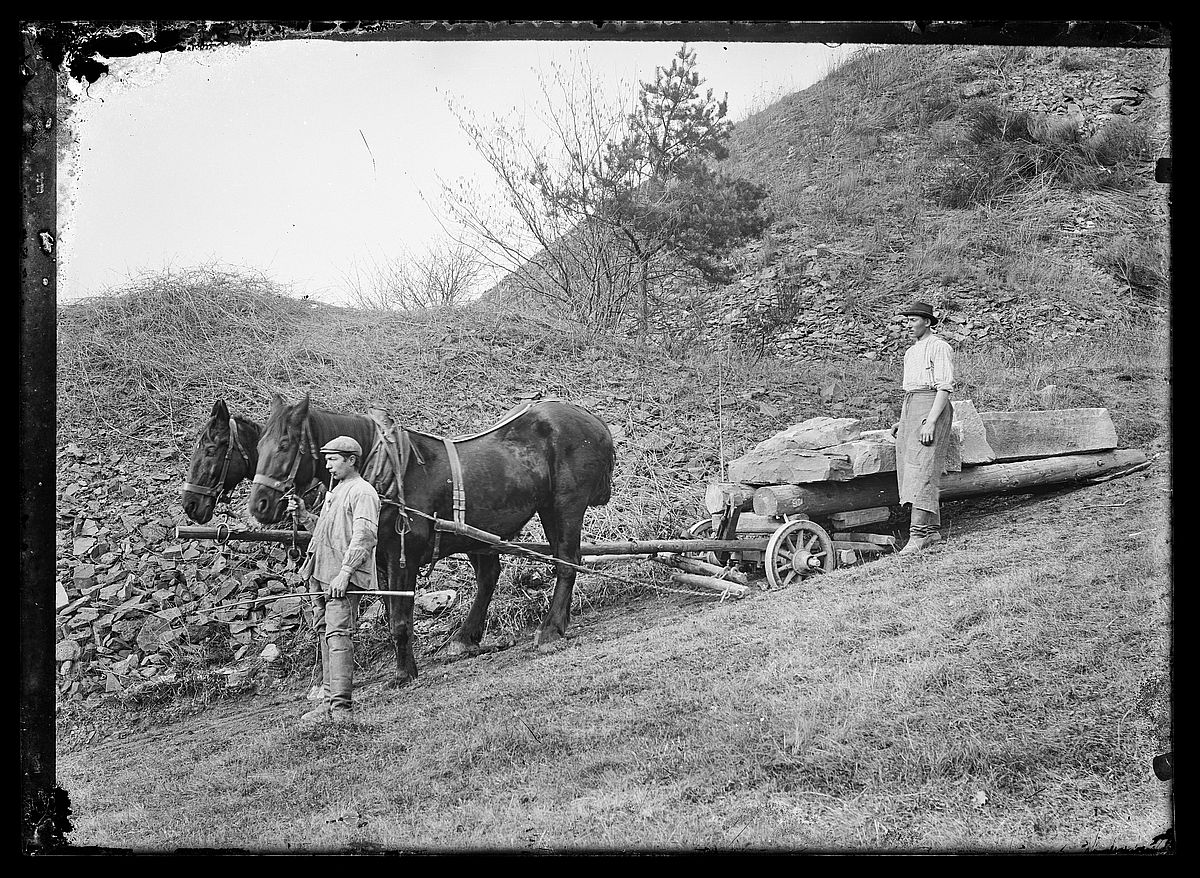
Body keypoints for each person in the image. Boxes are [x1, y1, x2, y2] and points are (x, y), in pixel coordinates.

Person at [286, 435, 380, 722]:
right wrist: (303, 516)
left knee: (338, 637)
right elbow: (327, 533)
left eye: (333, 459)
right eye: (326, 459)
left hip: (341, 578)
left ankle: (341, 710)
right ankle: (328, 704)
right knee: (326, 636)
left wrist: (345, 573)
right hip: (322, 575)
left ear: (351, 460)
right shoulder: (337, 491)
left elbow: (365, 537)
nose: (327, 465)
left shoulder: (362, 492)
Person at [890, 301, 955, 554]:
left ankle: (917, 535)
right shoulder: (911, 352)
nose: (908, 325)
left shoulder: (939, 347)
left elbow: (944, 388)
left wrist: (930, 420)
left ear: (927, 322)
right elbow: (912, 391)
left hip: (932, 407)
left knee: (924, 468)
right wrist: (904, 420)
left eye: (913, 320)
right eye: (906, 321)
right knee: (912, 468)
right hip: (913, 407)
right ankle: (931, 530)